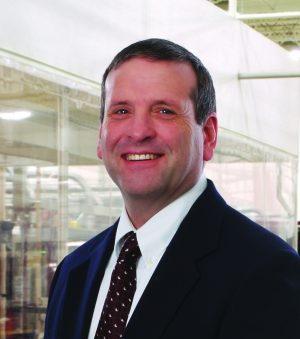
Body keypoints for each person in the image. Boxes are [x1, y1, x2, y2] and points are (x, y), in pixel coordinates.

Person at [44, 38, 300, 339]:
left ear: (207, 135)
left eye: (164, 111)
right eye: (121, 111)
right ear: (100, 137)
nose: (139, 131)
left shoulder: (267, 273)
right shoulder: (74, 273)